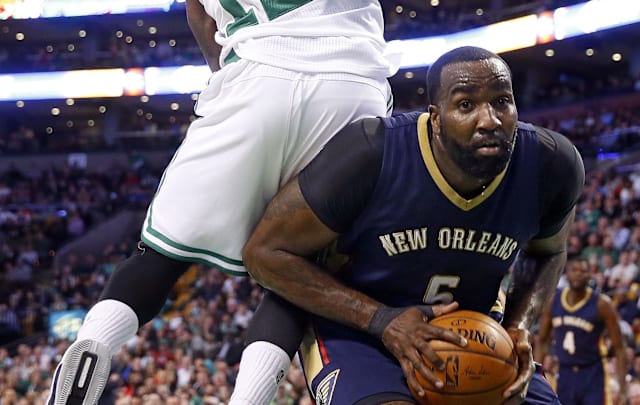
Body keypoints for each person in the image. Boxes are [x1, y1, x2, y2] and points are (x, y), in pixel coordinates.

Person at [46, 1, 397, 404]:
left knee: (157, 259)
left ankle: (93, 348)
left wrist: (231, 79)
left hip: (257, 76)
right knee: (297, 270)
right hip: (355, 87)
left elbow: (198, 13)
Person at [242, 46, 585, 404]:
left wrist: (517, 325)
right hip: (360, 332)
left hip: (474, 330)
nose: (490, 120)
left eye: (501, 102)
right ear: (435, 118)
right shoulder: (370, 154)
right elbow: (264, 254)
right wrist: (380, 320)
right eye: (466, 105)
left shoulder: (551, 165)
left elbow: (549, 252)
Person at [536, 258, 629, 405]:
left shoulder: (602, 304)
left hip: (593, 372)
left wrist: (623, 388)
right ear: (567, 274)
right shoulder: (553, 301)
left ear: (590, 275)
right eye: (574, 270)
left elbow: (619, 347)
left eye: (583, 271)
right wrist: (537, 378)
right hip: (565, 371)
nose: (578, 274)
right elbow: (542, 340)